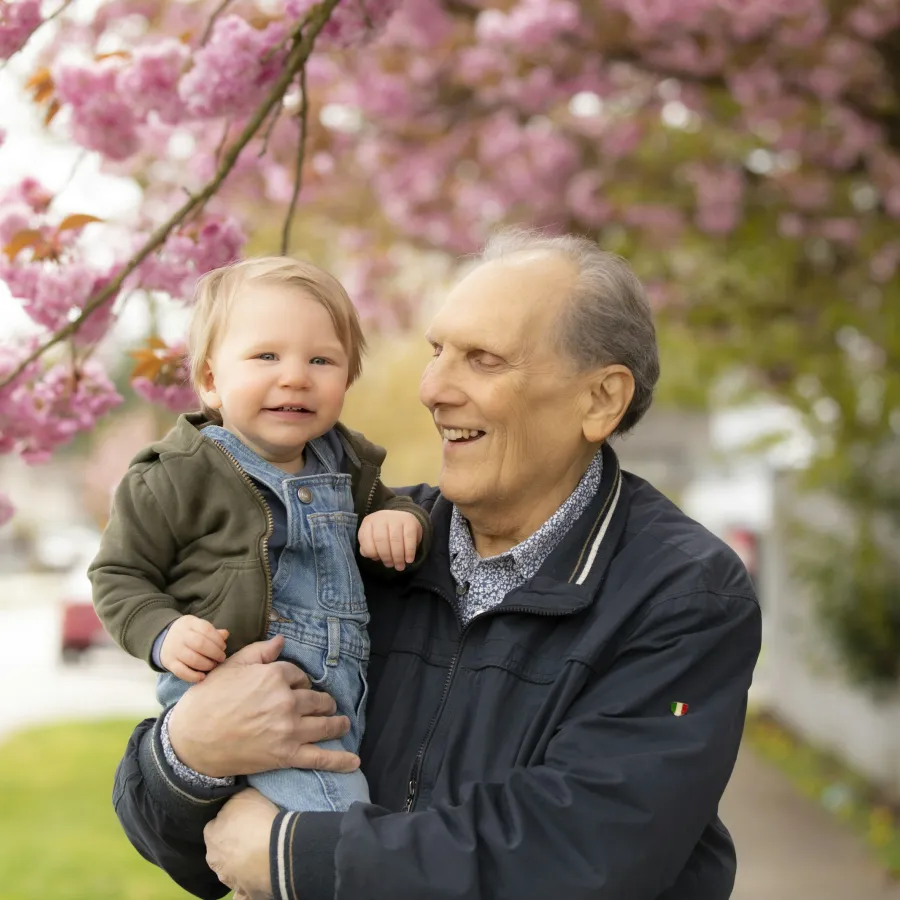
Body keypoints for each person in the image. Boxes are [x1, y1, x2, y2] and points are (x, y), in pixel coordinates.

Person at [112, 229, 762, 900]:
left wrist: (295, 856)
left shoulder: (682, 595)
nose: (432, 388)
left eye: (482, 359)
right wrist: (188, 753)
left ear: (599, 400)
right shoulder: (358, 544)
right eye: (436, 352)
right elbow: (178, 841)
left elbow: (585, 850)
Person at [90, 256, 431, 813]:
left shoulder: (350, 466)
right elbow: (118, 574)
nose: (295, 375)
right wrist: (163, 632)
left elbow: (388, 517)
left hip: (341, 696)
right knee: (335, 825)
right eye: (266, 356)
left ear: (347, 379)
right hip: (239, 694)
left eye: (322, 359)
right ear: (210, 380)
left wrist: (400, 522)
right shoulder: (176, 474)